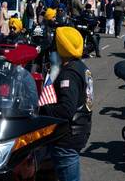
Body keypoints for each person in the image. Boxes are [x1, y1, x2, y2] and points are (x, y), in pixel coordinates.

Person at [40, 26, 93, 181]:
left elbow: (66, 109)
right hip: (77, 132)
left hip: (67, 138)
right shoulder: (80, 66)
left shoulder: (68, 74)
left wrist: (41, 110)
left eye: (55, 45)